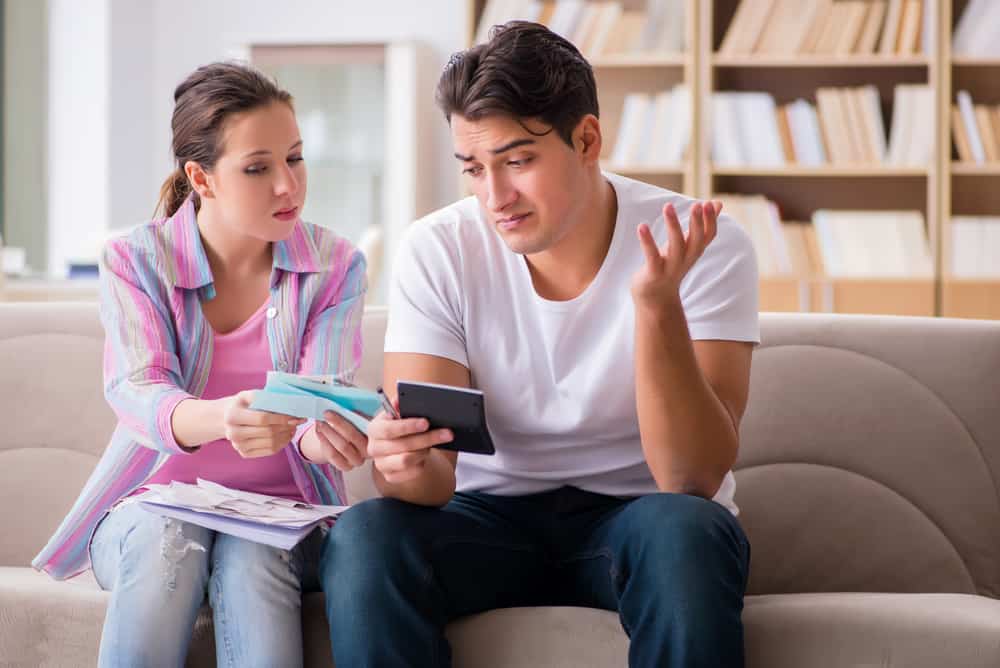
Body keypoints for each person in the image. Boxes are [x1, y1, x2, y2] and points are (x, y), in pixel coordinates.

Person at [319, 20, 760, 668]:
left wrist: (656, 308)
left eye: (518, 160)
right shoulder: (438, 249)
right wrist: (402, 461)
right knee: (365, 536)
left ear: (586, 139)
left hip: (643, 518)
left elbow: (690, 478)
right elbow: (428, 483)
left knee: (687, 533)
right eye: (474, 168)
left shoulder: (701, 243)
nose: (495, 197)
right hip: (484, 518)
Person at [32, 61, 369, 668]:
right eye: (258, 168)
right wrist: (221, 418)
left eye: (295, 159)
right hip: (152, 508)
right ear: (202, 178)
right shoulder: (137, 261)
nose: (288, 186)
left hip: (287, 519)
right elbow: (138, 389)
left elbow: (325, 404)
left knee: (252, 553)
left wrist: (334, 436)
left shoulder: (335, 264)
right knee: (168, 542)